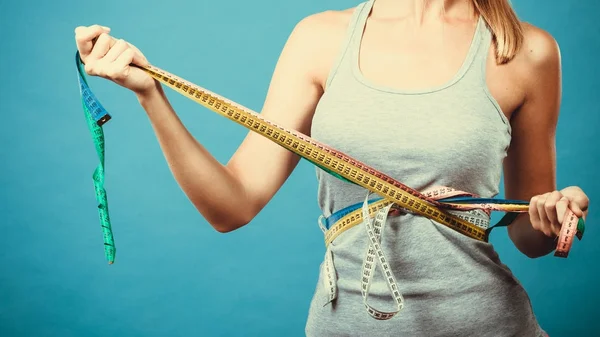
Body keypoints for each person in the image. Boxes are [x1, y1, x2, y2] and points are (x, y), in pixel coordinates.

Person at [74, 0, 590, 335]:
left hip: (486, 324)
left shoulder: (526, 50)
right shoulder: (320, 38)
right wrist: (151, 95)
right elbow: (231, 205)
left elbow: (529, 236)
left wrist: (554, 213)